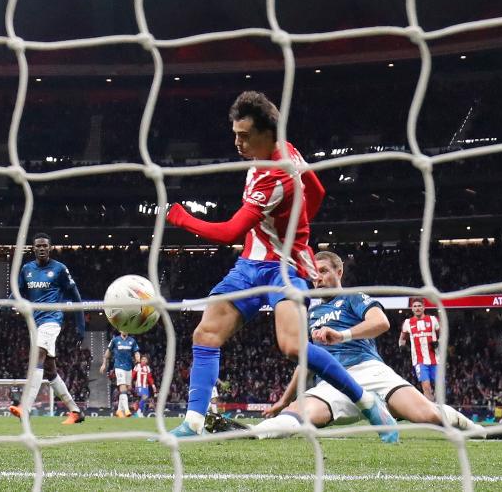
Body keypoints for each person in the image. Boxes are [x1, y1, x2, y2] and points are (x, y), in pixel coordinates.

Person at [161, 91, 398, 441]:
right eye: (235, 133)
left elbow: (228, 232)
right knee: (205, 334)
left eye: (244, 135)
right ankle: (193, 424)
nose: (237, 142)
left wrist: (180, 217)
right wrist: (296, 233)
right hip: (250, 264)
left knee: (292, 346)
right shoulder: (289, 150)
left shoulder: (274, 177)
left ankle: (367, 401)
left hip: (283, 269)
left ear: (266, 133)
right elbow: (316, 191)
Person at [249, 251, 502, 440]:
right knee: (300, 414)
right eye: (315, 274)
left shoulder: (353, 298)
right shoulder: (311, 314)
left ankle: (481, 432)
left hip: (370, 372)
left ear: (339, 271)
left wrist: (341, 335)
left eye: (323, 271)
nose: (318, 278)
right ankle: (253, 432)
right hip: (333, 382)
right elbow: (305, 361)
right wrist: (283, 401)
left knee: (427, 414)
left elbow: (381, 322)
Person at [8, 233, 86, 425]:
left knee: (38, 356)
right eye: (38, 246)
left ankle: (25, 408)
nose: (41, 249)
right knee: (50, 372)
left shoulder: (59, 269)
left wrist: (81, 325)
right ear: (33, 249)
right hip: (35, 324)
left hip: (52, 320)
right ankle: (76, 411)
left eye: (45, 246)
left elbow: (76, 297)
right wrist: (5, 304)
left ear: (50, 248)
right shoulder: (27, 269)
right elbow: (17, 292)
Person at [399, 298, 440, 399]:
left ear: (423, 307)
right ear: (412, 309)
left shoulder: (433, 320)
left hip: (435, 359)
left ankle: (439, 406)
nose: (417, 308)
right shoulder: (408, 322)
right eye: (415, 306)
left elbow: (442, 334)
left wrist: (438, 342)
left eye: (419, 306)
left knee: (440, 387)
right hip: (419, 360)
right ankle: (431, 410)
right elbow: (402, 338)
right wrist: (402, 347)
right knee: (426, 386)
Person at [100, 330, 140, 417]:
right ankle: (126, 410)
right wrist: (104, 364)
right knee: (122, 387)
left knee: (128, 388)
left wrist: (137, 358)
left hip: (128, 367)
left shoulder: (132, 341)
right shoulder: (115, 340)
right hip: (118, 367)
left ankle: (119, 410)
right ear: (120, 330)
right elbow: (107, 353)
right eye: (123, 328)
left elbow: (136, 352)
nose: (124, 330)